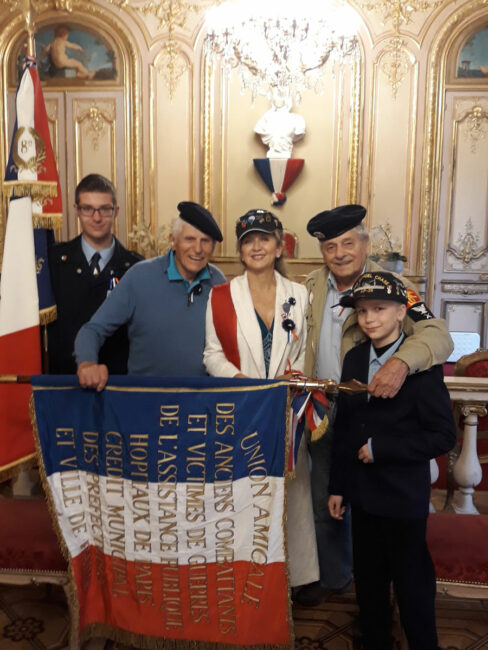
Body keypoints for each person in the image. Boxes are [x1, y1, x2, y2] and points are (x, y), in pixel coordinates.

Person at [297, 203, 454, 606]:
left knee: (370, 507)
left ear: (365, 245)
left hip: (373, 413)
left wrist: (402, 362)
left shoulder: (395, 286)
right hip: (321, 410)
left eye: (348, 243)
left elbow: (439, 334)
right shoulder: (310, 287)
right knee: (325, 499)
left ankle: (378, 585)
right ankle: (336, 581)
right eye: (330, 246)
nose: (340, 253)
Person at [329, 271, 456, 650]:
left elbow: (443, 436)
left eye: (380, 309)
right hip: (364, 496)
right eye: (363, 311)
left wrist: (382, 449)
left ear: (403, 311)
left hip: (403, 499)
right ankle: (375, 639)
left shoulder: (421, 366)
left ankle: (422, 642)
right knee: (368, 579)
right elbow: (345, 427)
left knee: (411, 581)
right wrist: (337, 486)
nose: (370, 318)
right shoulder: (354, 358)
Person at [204, 208, 319, 590]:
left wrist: (292, 385)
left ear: (278, 245)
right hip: (242, 409)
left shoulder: (299, 295)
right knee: (244, 491)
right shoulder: (221, 296)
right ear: (240, 249)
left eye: (264, 239)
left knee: (292, 490)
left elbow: (305, 353)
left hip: (287, 410)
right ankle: (247, 575)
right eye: (248, 240)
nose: (256, 246)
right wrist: (239, 382)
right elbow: (211, 355)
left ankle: (296, 577)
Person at [75, 201, 225, 389]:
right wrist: (87, 363)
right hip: (145, 401)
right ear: (173, 240)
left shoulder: (218, 281)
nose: (197, 249)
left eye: (205, 241)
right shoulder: (139, 277)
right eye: (189, 239)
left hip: (201, 402)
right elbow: (93, 330)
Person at [48, 174, 142, 374]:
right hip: (65, 382)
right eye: (88, 209)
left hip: (118, 383)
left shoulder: (136, 267)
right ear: (77, 210)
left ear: (115, 211)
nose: (97, 217)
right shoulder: (54, 262)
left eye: (104, 209)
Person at [254, 92, 306, 158]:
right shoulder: (267, 117)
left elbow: (299, 132)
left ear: (287, 99)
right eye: (276, 97)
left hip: (286, 152)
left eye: (281, 97)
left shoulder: (296, 119)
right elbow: (258, 129)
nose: (278, 99)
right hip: (272, 152)